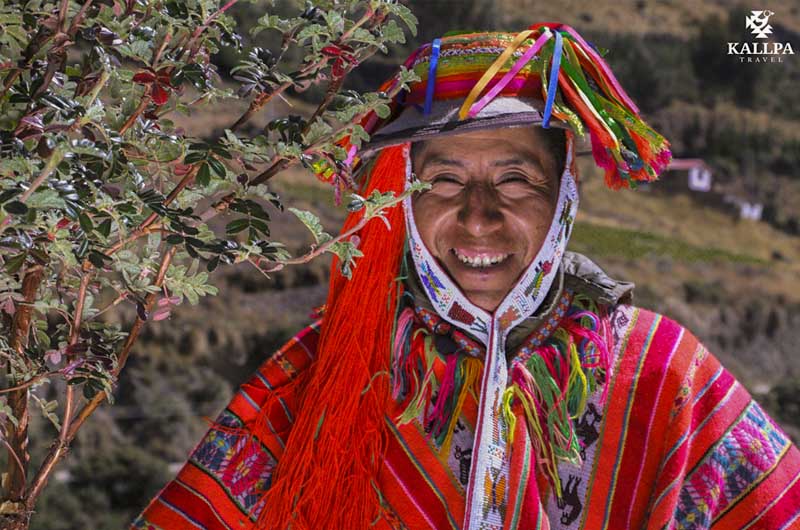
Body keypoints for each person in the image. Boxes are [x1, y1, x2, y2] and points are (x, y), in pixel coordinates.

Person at [133, 23, 800, 530]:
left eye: (516, 181)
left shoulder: (664, 376)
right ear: (401, 202)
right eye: (443, 181)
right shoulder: (321, 377)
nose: (478, 219)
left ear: (564, 200)